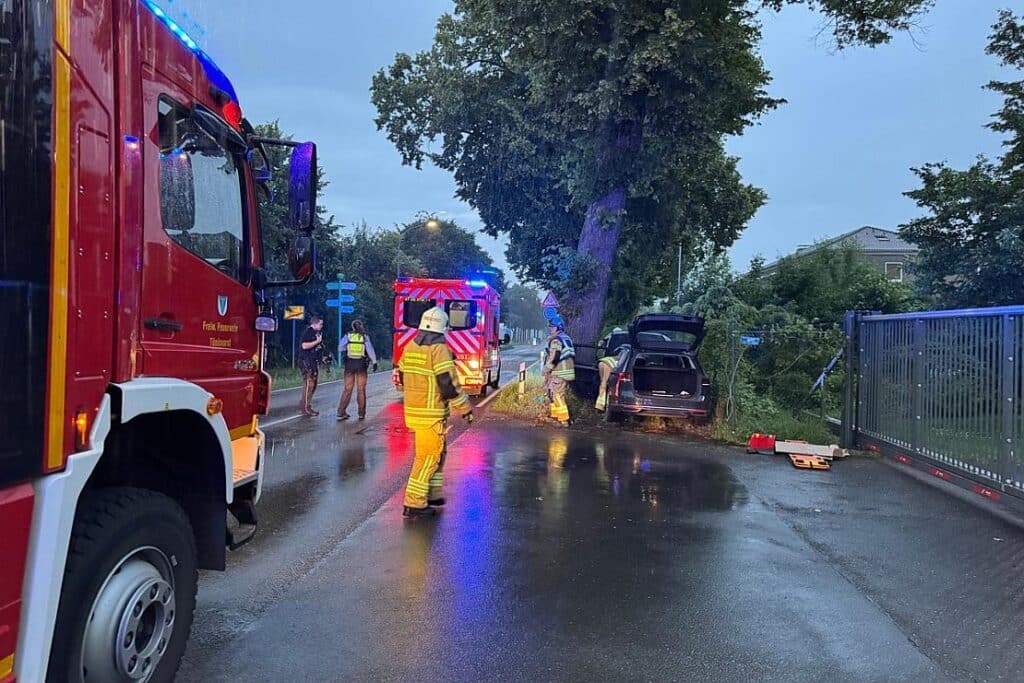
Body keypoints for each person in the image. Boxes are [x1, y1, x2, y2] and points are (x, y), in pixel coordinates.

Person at [394, 305, 473, 518]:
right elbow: (448, 384)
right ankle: (414, 503)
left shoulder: (410, 347)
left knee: (438, 454)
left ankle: (433, 494)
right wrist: (465, 408)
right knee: (428, 457)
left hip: (414, 411)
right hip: (431, 414)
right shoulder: (439, 350)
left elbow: (400, 379)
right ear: (442, 329)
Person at [336, 319, 378, 421]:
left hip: (350, 364)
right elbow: (370, 350)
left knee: (347, 389)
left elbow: (340, 348)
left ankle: (341, 412)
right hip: (361, 365)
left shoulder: (348, 335)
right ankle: (361, 414)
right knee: (361, 390)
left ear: (352, 327)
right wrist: (374, 362)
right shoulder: (364, 337)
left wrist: (348, 347)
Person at [542, 316, 575, 426]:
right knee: (556, 394)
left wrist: (546, 369)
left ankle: (564, 420)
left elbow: (555, 357)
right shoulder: (566, 338)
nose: (550, 329)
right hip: (567, 371)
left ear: (558, 327)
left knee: (557, 395)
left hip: (560, 371)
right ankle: (557, 417)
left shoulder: (556, 340)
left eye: (552, 327)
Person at [298, 315, 324, 416]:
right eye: (320, 324)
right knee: (309, 384)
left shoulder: (315, 333)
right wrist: (317, 342)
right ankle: (305, 408)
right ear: (315, 323)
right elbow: (304, 346)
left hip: (312, 361)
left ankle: (307, 405)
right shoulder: (308, 332)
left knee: (313, 385)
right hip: (306, 361)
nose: (321, 326)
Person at [595, 345, 627, 411]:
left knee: (603, 383)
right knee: (605, 383)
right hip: (608, 364)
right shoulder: (625, 359)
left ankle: (600, 403)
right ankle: (601, 405)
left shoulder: (619, 354)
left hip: (602, 362)